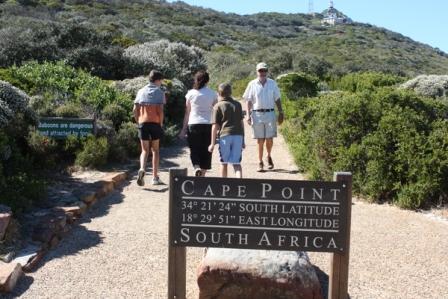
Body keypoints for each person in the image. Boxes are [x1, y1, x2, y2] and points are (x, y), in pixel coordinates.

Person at [243, 62, 284, 172]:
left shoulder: (272, 83)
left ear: (267, 71)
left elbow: (277, 98)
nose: (262, 72)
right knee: (260, 140)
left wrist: (281, 112)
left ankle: (268, 156)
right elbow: (248, 100)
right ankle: (260, 162)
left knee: (269, 139)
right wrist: (248, 115)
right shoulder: (252, 84)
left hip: (270, 113)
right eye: (260, 70)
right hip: (257, 114)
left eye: (264, 70)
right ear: (257, 71)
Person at [179, 71, 217, 177]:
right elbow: (215, 110)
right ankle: (203, 175)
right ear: (208, 81)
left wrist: (183, 129)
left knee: (194, 149)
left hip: (193, 124)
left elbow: (187, 112)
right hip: (208, 124)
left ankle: (196, 167)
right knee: (206, 150)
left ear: (196, 80)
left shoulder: (190, 93)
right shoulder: (213, 93)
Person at [133, 70, 165, 186]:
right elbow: (160, 110)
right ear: (157, 80)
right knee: (155, 150)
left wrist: (138, 122)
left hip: (143, 123)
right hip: (155, 123)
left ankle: (142, 169)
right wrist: (160, 123)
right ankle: (155, 178)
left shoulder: (141, 91)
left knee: (144, 150)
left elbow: (134, 110)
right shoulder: (160, 92)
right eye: (161, 80)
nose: (161, 83)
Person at [208, 83, 245, 178]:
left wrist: (212, 143)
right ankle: (239, 185)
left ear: (219, 93)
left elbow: (215, 126)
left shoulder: (217, 106)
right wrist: (243, 140)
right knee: (236, 163)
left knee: (224, 162)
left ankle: (224, 185)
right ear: (231, 92)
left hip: (225, 136)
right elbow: (241, 124)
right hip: (238, 135)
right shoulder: (238, 104)